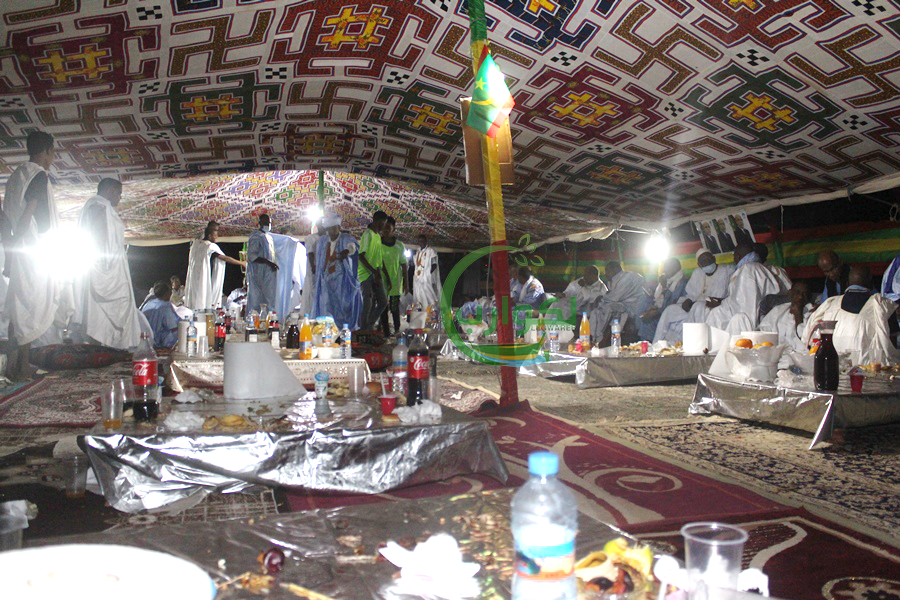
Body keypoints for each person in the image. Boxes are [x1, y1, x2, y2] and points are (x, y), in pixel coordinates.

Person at [3, 131, 75, 379]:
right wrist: (18, 240)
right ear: (47, 151)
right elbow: (29, 211)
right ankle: (22, 365)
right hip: (32, 249)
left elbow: (6, 216)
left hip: (19, 249)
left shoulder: (16, 176)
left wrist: (10, 247)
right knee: (31, 306)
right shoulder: (37, 175)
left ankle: (13, 365)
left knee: (19, 306)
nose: (53, 158)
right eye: (53, 153)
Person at [74, 178, 144, 350]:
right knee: (105, 311)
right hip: (105, 268)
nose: (120, 198)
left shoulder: (99, 206)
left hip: (109, 265)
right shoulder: (98, 206)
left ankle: (106, 350)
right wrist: (105, 265)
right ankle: (103, 351)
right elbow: (99, 237)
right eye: (119, 193)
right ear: (110, 190)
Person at [803, 265, 899, 365]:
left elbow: (809, 339)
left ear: (847, 283)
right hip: (869, 368)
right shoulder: (882, 306)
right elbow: (890, 349)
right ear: (871, 283)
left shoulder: (829, 304)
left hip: (832, 365)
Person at [654, 248, 734, 343]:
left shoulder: (727, 271)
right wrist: (687, 301)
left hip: (715, 307)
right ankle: (657, 343)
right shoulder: (697, 273)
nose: (706, 262)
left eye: (708, 259)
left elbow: (732, 294)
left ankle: (689, 343)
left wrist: (720, 301)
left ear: (714, 258)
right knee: (670, 310)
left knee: (698, 307)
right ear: (699, 264)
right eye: (703, 261)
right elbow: (691, 294)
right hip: (695, 305)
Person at [703, 241, 782, 335]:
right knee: (716, 313)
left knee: (724, 317)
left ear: (738, 256)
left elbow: (744, 304)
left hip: (748, 320)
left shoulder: (748, 270)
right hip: (747, 314)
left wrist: (722, 305)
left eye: (734, 256)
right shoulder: (753, 267)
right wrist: (721, 302)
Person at [312, 212, 362, 330]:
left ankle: (341, 331)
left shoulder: (346, 238)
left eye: (334, 228)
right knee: (326, 306)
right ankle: (327, 331)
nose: (332, 231)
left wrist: (346, 252)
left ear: (339, 227)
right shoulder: (322, 241)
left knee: (341, 307)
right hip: (325, 279)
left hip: (341, 281)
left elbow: (352, 247)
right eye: (330, 228)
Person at [184, 221, 244, 310]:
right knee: (201, 302)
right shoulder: (209, 246)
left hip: (194, 281)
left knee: (194, 302)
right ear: (209, 235)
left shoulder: (196, 244)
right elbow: (225, 258)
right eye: (215, 234)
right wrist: (242, 263)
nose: (217, 236)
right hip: (201, 280)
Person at [587, 261, 644, 343]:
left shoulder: (627, 278)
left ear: (615, 269)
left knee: (606, 308)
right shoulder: (615, 279)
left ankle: (598, 336)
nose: (606, 274)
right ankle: (594, 336)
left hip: (631, 306)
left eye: (607, 271)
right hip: (622, 304)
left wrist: (602, 298)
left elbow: (615, 297)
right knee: (598, 309)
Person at [638, 257, 687, 341]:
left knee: (648, 322)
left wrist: (657, 312)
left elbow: (675, 304)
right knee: (643, 305)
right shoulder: (667, 281)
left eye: (667, 268)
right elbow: (658, 299)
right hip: (661, 311)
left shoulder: (683, 283)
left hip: (672, 315)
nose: (664, 270)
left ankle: (653, 344)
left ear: (675, 268)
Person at [759, 281, 813, 353]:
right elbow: (764, 331)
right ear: (790, 293)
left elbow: (806, 340)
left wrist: (798, 315)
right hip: (776, 352)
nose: (800, 297)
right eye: (797, 292)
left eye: (805, 294)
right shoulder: (778, 310)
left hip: (800, 355)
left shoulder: (811, 313)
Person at [357, 210, 389, 330]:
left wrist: (383, 274)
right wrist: (373, 271)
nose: (383, 227)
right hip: (365, 273)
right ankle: (363, 329)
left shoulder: (378, 236)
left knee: (383, 301)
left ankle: (368, 326)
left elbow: (379, 259)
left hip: (375, 272)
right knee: (368, 301)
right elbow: (361, 256)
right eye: (382, 223)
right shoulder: (368, 234)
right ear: (376, 221)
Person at [246, 214, 280, 314]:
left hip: (269, 273)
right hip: (257, 273)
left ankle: (269, 319)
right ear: (259, 223)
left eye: (269, 223)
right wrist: (268, 263)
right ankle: (253, 319)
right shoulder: (256, 236)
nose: (267, 225)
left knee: (270, 297)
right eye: (265, 222)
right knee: (256, 299)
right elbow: (252, 256)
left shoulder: (269, 237)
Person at [380, 217, 408, 335]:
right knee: (382, 308)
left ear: (394, 229)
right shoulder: (377, 243)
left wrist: (406, 283)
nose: (385, 230)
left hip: (396, 283)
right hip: (381, 282)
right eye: (384, 227)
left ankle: (397, 331)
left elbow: (404, 265)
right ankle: (385, 332)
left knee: (394, 308)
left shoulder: (400, 246)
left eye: (388, 228)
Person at [141, 280, 180, 349]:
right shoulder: (165, 306)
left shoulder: (148, 304)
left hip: (145, 342)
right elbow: (173, 327)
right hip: (160, 344)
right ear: (167, 293)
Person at [413, 233, 441, 311]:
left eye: (423, 241)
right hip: (417, 277)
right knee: (419, 294)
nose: (421, 243)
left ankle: (432, 310)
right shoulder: (418, 251)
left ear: (426, 241)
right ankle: (421, 310)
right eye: (420, 241)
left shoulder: (430, 251)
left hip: (426, 278)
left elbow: (434, 264)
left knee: (428, 293)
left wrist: (428, 273)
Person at [299, 219, 321, 318]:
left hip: (323, 272)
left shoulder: (327, 238)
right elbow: (310, 253)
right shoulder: (311, 238)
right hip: (314, 271)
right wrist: (314, 267)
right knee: (312, 294)